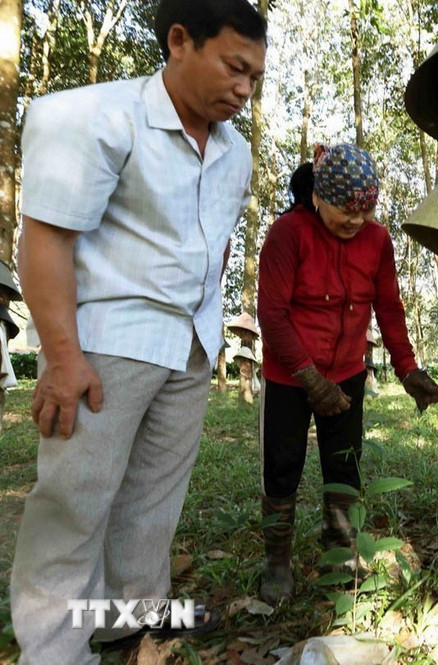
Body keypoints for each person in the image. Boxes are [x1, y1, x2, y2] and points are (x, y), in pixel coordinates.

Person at [10, 1, 266, 662]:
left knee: (153, 500)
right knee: (73, 503)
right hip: (104, 346)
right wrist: (62, 357)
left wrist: (207, 333)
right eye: (235, 68)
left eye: (255, 78)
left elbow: (216, 242)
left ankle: (130, 625)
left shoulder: (234, 152)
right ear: (180, 41)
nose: (244, 89)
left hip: (188, 348)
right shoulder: (95, 117)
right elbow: (47, 237)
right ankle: (53, 650)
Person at [256, 146, 438, 604]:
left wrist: (407, 367)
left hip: (347, 374)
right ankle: (276, 560)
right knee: (283, 465)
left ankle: (338, 552)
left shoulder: (377, 241)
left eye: (366, 210)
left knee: (345, 465)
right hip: (289, 377)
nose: (356, 221)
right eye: (346, 210)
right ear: (318, 196)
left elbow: (390, 308)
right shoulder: (287, 234)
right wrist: (309, 379)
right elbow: (272, 314)